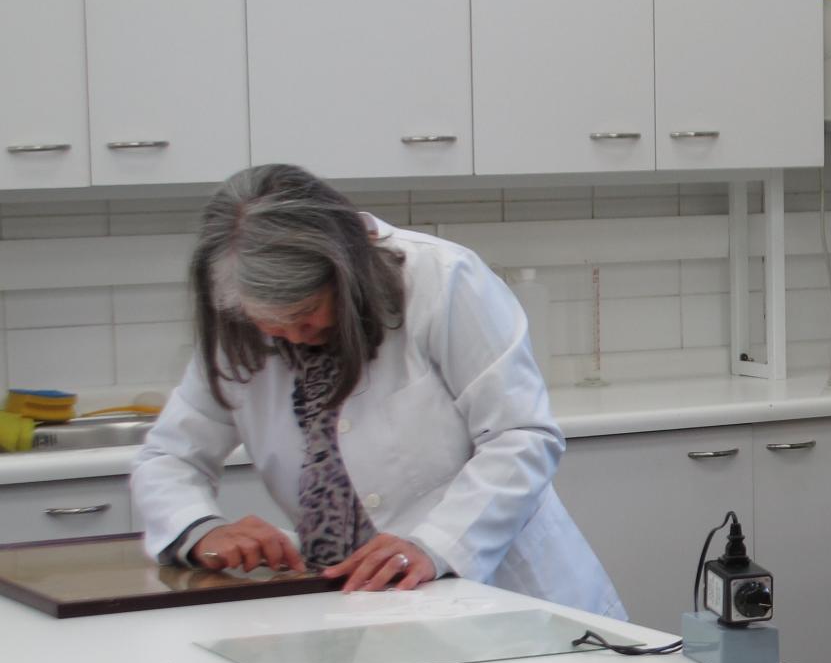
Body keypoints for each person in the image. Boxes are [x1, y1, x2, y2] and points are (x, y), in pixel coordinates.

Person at [131, 164, 623, 616]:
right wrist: (200, 529)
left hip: (505, 596)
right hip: (352, 599)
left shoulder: (442, 279)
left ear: (347, 275)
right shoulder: (242, 325)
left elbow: (522, 436)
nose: (291, 336)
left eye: (305, 316)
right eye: (271, 325)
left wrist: (435, 543)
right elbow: (170, 457)